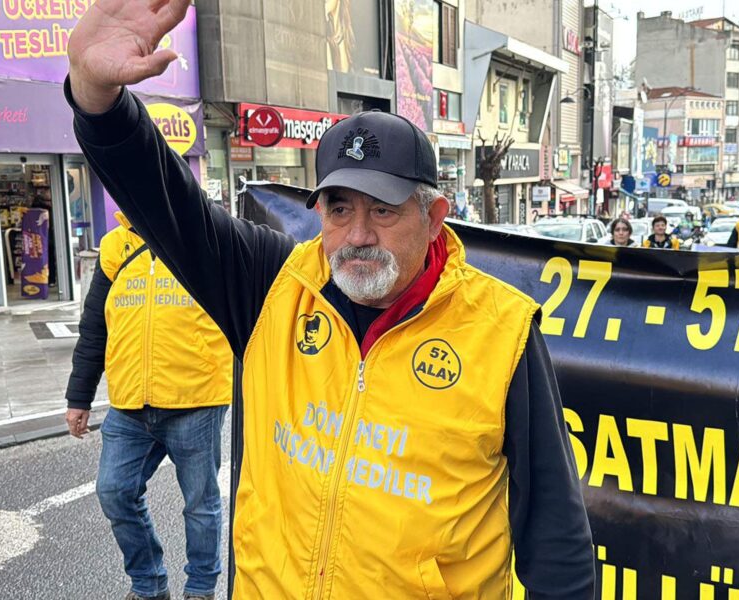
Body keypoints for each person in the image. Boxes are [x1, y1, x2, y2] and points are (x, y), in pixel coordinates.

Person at [66, 3, 594, 598]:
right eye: (340, 209)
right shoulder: (273, 286)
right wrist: (96, 96)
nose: (358, 234)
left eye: (383, 210)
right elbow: (168, 204)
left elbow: (556, 536)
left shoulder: (502, 331)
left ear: (434, 218)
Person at [65, 211, 233, 600]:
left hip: (197, 397)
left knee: (200, 505)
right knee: (114, 491)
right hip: (129, 402)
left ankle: (201, 588)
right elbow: (94, 326)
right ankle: (149, 584)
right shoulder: (114, 246)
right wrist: (79, 397)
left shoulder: (206, 236)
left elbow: (245, 306)